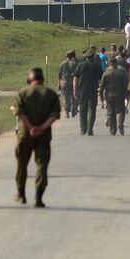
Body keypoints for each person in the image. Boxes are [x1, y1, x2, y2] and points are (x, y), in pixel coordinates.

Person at [14, 67, 61, 207]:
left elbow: (19, 113)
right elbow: (55, 115)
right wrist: (41, 128)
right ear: (42, 79)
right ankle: (38, 198)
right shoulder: (50, 94)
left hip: (25, 135)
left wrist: (30, 128)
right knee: (42, 166)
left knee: (21, 165)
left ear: (29, 79)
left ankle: (21, 195)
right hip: (43, 136)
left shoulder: (22, 92)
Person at [74, 49, 103, 135]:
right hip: (93, 90)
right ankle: (90, 129)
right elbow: (101, 79)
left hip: (82, 90)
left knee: (83, 109)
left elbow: (75, 78)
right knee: (92, 109)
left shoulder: (80, 65)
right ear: (93, 57)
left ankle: (83, 129)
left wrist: (75, 90)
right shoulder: (96, 66)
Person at [100, 58, 130, 136]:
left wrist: (101, 96)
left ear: (110, 64)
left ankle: (113, 130)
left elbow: (102, 86)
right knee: (121, 110)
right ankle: (120, 124)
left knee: (111, 112)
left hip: (109, 95)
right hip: (120, 94)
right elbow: (126, 85)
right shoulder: (121, 73)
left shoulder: (106, 73)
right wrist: (127, 94)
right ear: (116, 64)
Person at [58, 51, 78, 119]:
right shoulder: (74, 63)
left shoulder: (62, 64)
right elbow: (76, 74)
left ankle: (66, 113)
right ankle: (73, 110)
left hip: (64, 82)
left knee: (65, 98)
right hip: (72, 82)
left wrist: (59, 84)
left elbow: (59, 75)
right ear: (72, 56)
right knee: (73, 96)